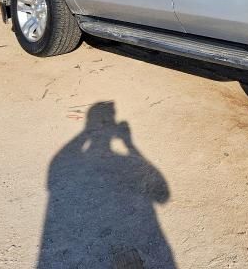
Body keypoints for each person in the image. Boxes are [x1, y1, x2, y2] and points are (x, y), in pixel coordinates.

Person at [37, 101, 175, 268]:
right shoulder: (117, 160)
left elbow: (59, 162)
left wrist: (87, 133)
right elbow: (163, 195)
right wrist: (129, 144)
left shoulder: (63, 162)